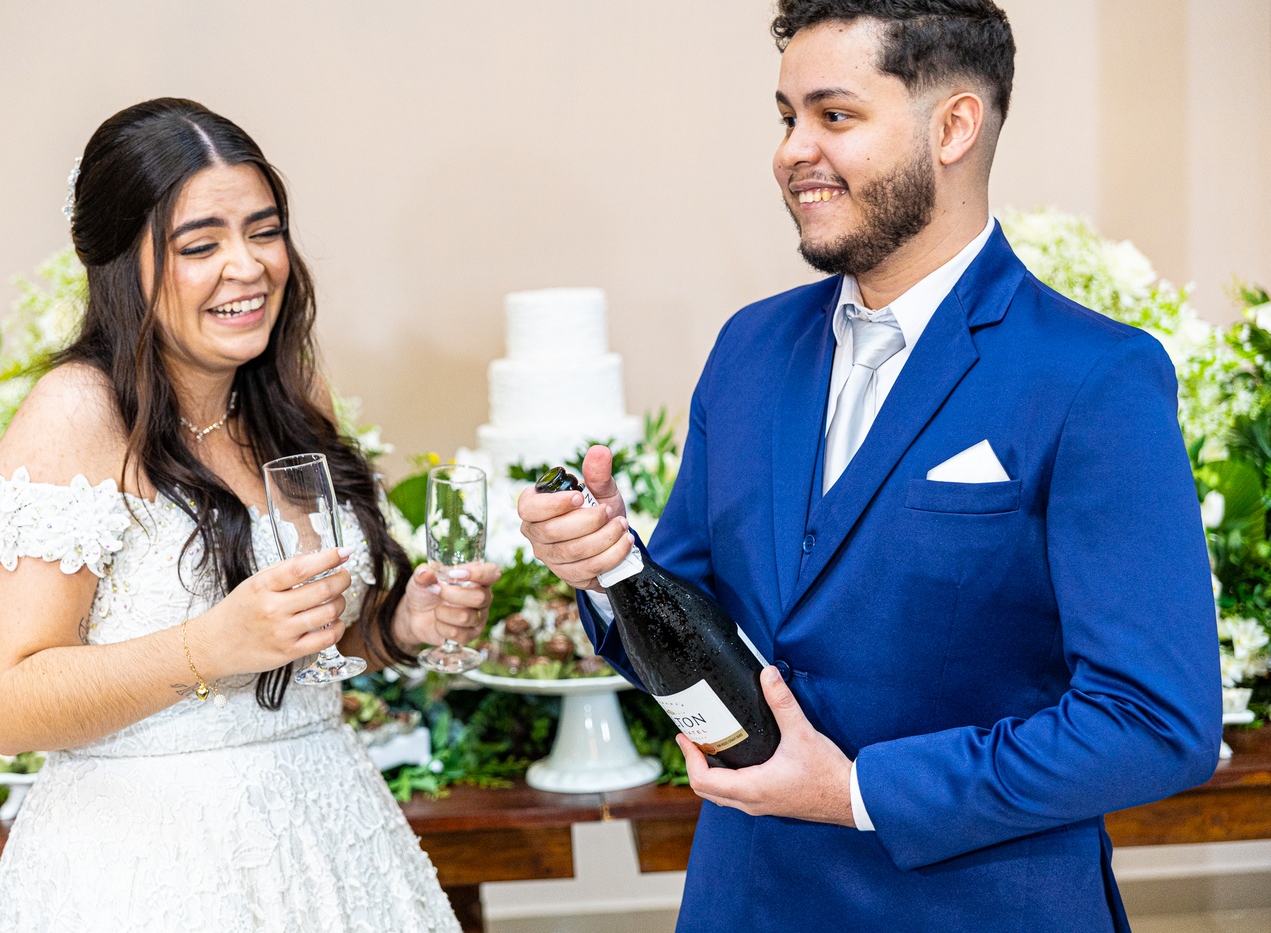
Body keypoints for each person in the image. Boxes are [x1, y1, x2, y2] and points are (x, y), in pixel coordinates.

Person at [516, 2, 1222, 930]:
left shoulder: (1094, 376)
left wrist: (859, 791)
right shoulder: (748, 349)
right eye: (786, 117)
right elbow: (692, 627)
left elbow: (1155, 722)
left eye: (834, 115)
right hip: (745, 900)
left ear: (954, 127)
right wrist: (611, 566)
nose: (792, 151)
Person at [0, 98, 498, 931]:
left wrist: (401, 623)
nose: (247, 267)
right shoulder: (75, 415)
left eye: (264, 231)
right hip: (147, 871)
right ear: (121, 264)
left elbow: (306, 646)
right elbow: (10, 705)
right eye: (200, 245)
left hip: (329, 836)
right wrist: (210, 643)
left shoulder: (290, 396)